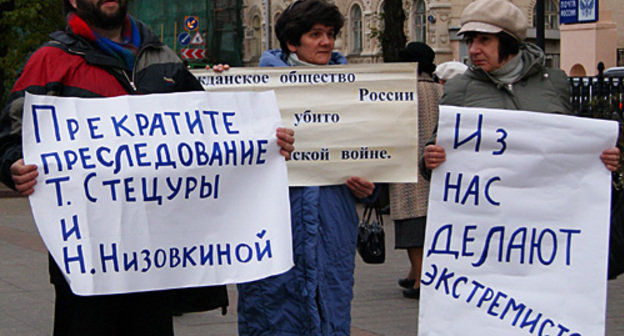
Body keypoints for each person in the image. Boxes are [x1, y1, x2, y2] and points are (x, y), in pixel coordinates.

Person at [0, 1, 294, 335]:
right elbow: (10, 137)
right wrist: (12, 165)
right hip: (90, 258)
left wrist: (262, 142)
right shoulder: (51, 60)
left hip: (156, 256)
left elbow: (212, 138)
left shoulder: (164, 56)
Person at [236, 1, 376, 335]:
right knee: (272, 314)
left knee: (330, 311)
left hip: (332, 227)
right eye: (316, 35)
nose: (326, 42)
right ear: (292, 43)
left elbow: (377, 160)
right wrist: (221, 87)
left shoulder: (357, 90)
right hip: (273, 229)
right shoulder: (255, 89)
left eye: (330, 34)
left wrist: (371, 189)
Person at [422, 0, 619, 174]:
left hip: (540, 209)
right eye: (470, 40)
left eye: (484, 40)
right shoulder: (459, 87)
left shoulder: (553, 82)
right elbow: (436, 151)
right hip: (484, 210)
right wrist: (430, 159)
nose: (473, 50)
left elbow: (569, 145)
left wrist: (599, 157)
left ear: (508, 41)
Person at [389, 42, 442, 300]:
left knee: (411, 226)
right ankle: (414, 273)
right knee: (429, 222)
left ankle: (421, 278)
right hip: (434, 165)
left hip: (407, 165)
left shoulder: (403, 91)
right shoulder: (441, 90)